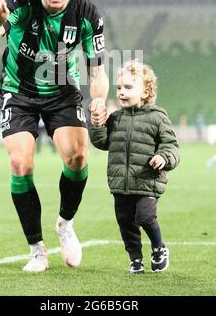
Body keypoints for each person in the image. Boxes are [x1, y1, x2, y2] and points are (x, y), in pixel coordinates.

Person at [0, 0, 108, 273]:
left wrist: (99, 98)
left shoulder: (87, 13)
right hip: (18, 92)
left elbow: (97, 71)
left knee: (77, 157)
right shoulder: (20, 1)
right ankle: (36, 249)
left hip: (62, 90)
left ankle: (65, 223)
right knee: (20, 162)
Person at [90, 60, 179, 274]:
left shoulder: (157, 117)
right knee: (126, 223)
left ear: (145, 91)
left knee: (145, 217)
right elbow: (102, 143)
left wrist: (163, 158)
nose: (121, 92)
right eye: (119, 87)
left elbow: (171, 146)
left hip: (147, 180)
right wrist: (97, 125)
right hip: (120, 182)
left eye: (128, 87)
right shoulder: (116, 118)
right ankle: (135, 259)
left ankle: (158, 248)